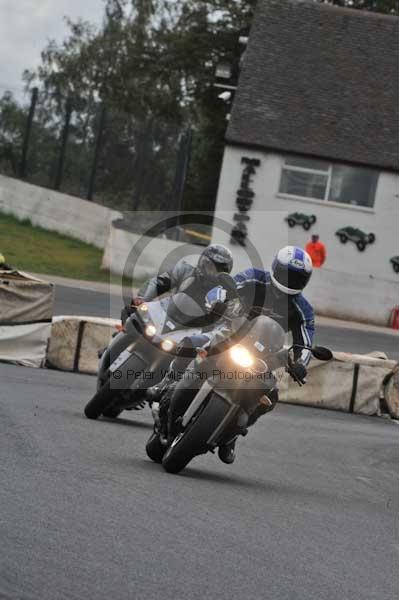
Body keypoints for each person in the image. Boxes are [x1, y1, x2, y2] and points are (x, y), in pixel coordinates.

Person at [166, 246, 315, 465]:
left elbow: (306, 341)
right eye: (287, 274)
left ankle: (231, 435)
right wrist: (216, 301)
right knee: (192, 344)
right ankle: (170, 383)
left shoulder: (303, 308)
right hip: (231, 335)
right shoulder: (255, 277)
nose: (290, 280)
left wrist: (301, 363)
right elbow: (225, 288)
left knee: (269, 397)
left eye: (296, 278)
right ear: (275, 268)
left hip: (265, 356)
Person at [121, 244, 234, 324]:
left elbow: (225, 319)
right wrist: (143, 298)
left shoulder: (224, 293)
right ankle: (114, 346)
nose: (210, 270)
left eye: (216, 268)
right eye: (208, 264)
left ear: (224, 271)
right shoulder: (185, 270)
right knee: (131, 312)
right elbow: (160, 282)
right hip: (167, 315)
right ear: (202, 261)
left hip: (194, 329)